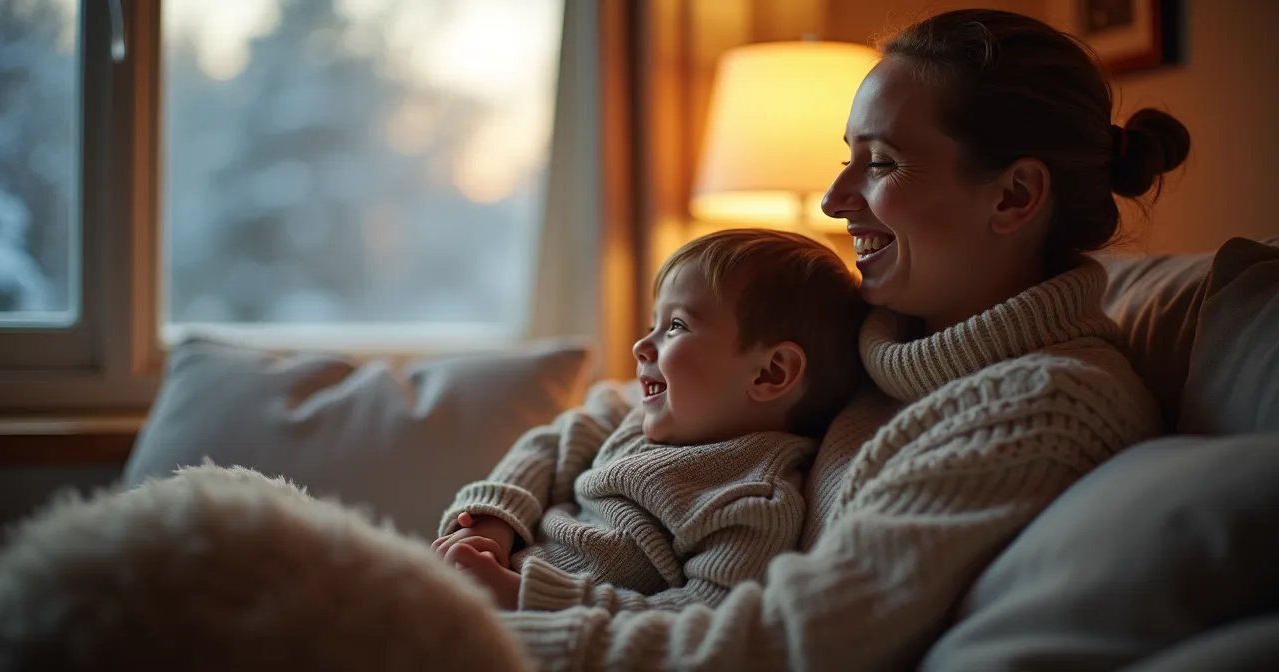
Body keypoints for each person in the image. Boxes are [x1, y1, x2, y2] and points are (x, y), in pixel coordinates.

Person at [470, 8, 1184, 670]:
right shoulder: (886, 340)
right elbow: (621, 410)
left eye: (879, 162)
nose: (833, 200)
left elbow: (785, 643)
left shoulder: (1046, 405)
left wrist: (495, 614)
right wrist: (489, 525)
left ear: (1014, 196)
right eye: (851, 157)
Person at [432, 228, 869, 612]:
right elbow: (544, 449)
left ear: (770, 373)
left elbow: (701, 612)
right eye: (652, 324)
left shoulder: (752, 499)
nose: (643, 344)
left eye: (675, 326)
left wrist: (524, 595)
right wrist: (492, 525)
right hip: (484, 572)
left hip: (530, 622)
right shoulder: (627, 412)